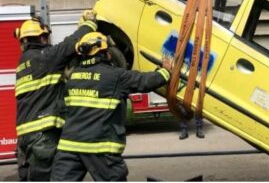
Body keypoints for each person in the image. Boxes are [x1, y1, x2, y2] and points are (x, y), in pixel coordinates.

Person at [51, 32, 172, 181]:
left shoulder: (73, 77)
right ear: (103, 53)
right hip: (99, 148)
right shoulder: (114, 76)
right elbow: (144, 81)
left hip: (69, 146)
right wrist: (165, 71)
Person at [14, 11, 97, 181]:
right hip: (42, 137)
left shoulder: (23, 64)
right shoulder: (44, 57)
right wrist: (88, 24)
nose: (47, 40)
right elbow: (69, 45)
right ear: (41, 38)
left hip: (25, 138)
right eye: (45, 36)